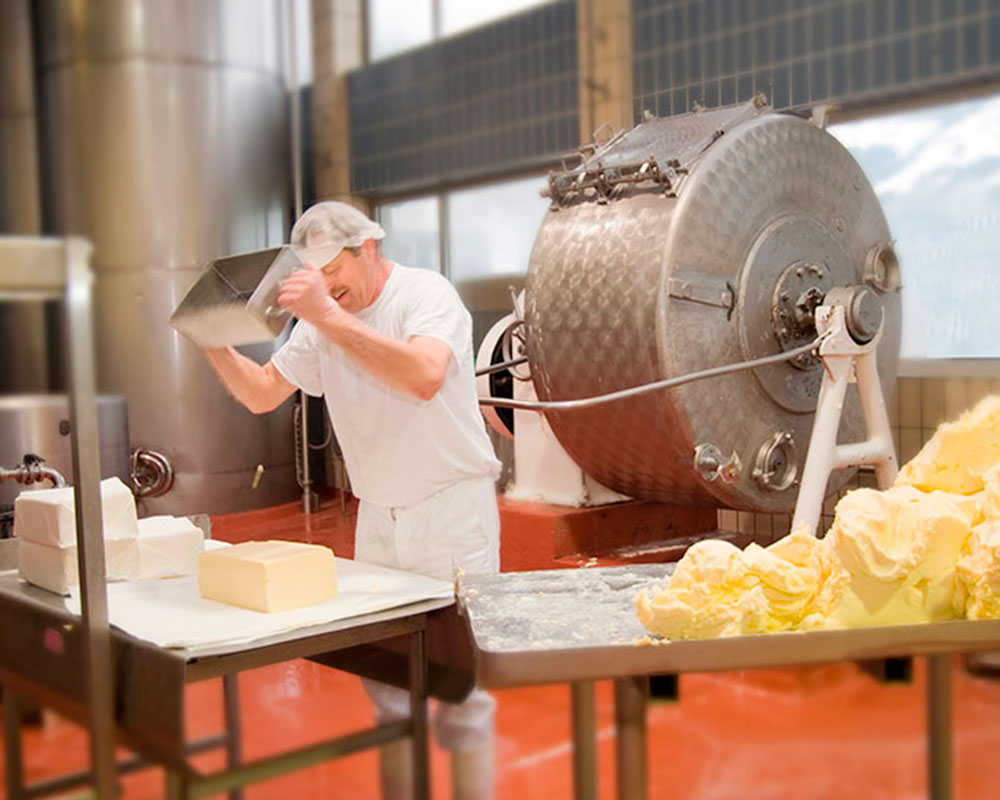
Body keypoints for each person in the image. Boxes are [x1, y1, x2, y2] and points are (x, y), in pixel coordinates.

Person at [202, 201, 502, 800]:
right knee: (390, 690)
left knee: (463, 687)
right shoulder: (321, 320)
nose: (327, 289)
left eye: (332, 272)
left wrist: (325, 317)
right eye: (316, 279)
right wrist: (211, 341)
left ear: (369, 248)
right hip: (379, 519)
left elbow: (422, 375)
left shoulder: (426, 295)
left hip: (450, 512)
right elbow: (263, 393)